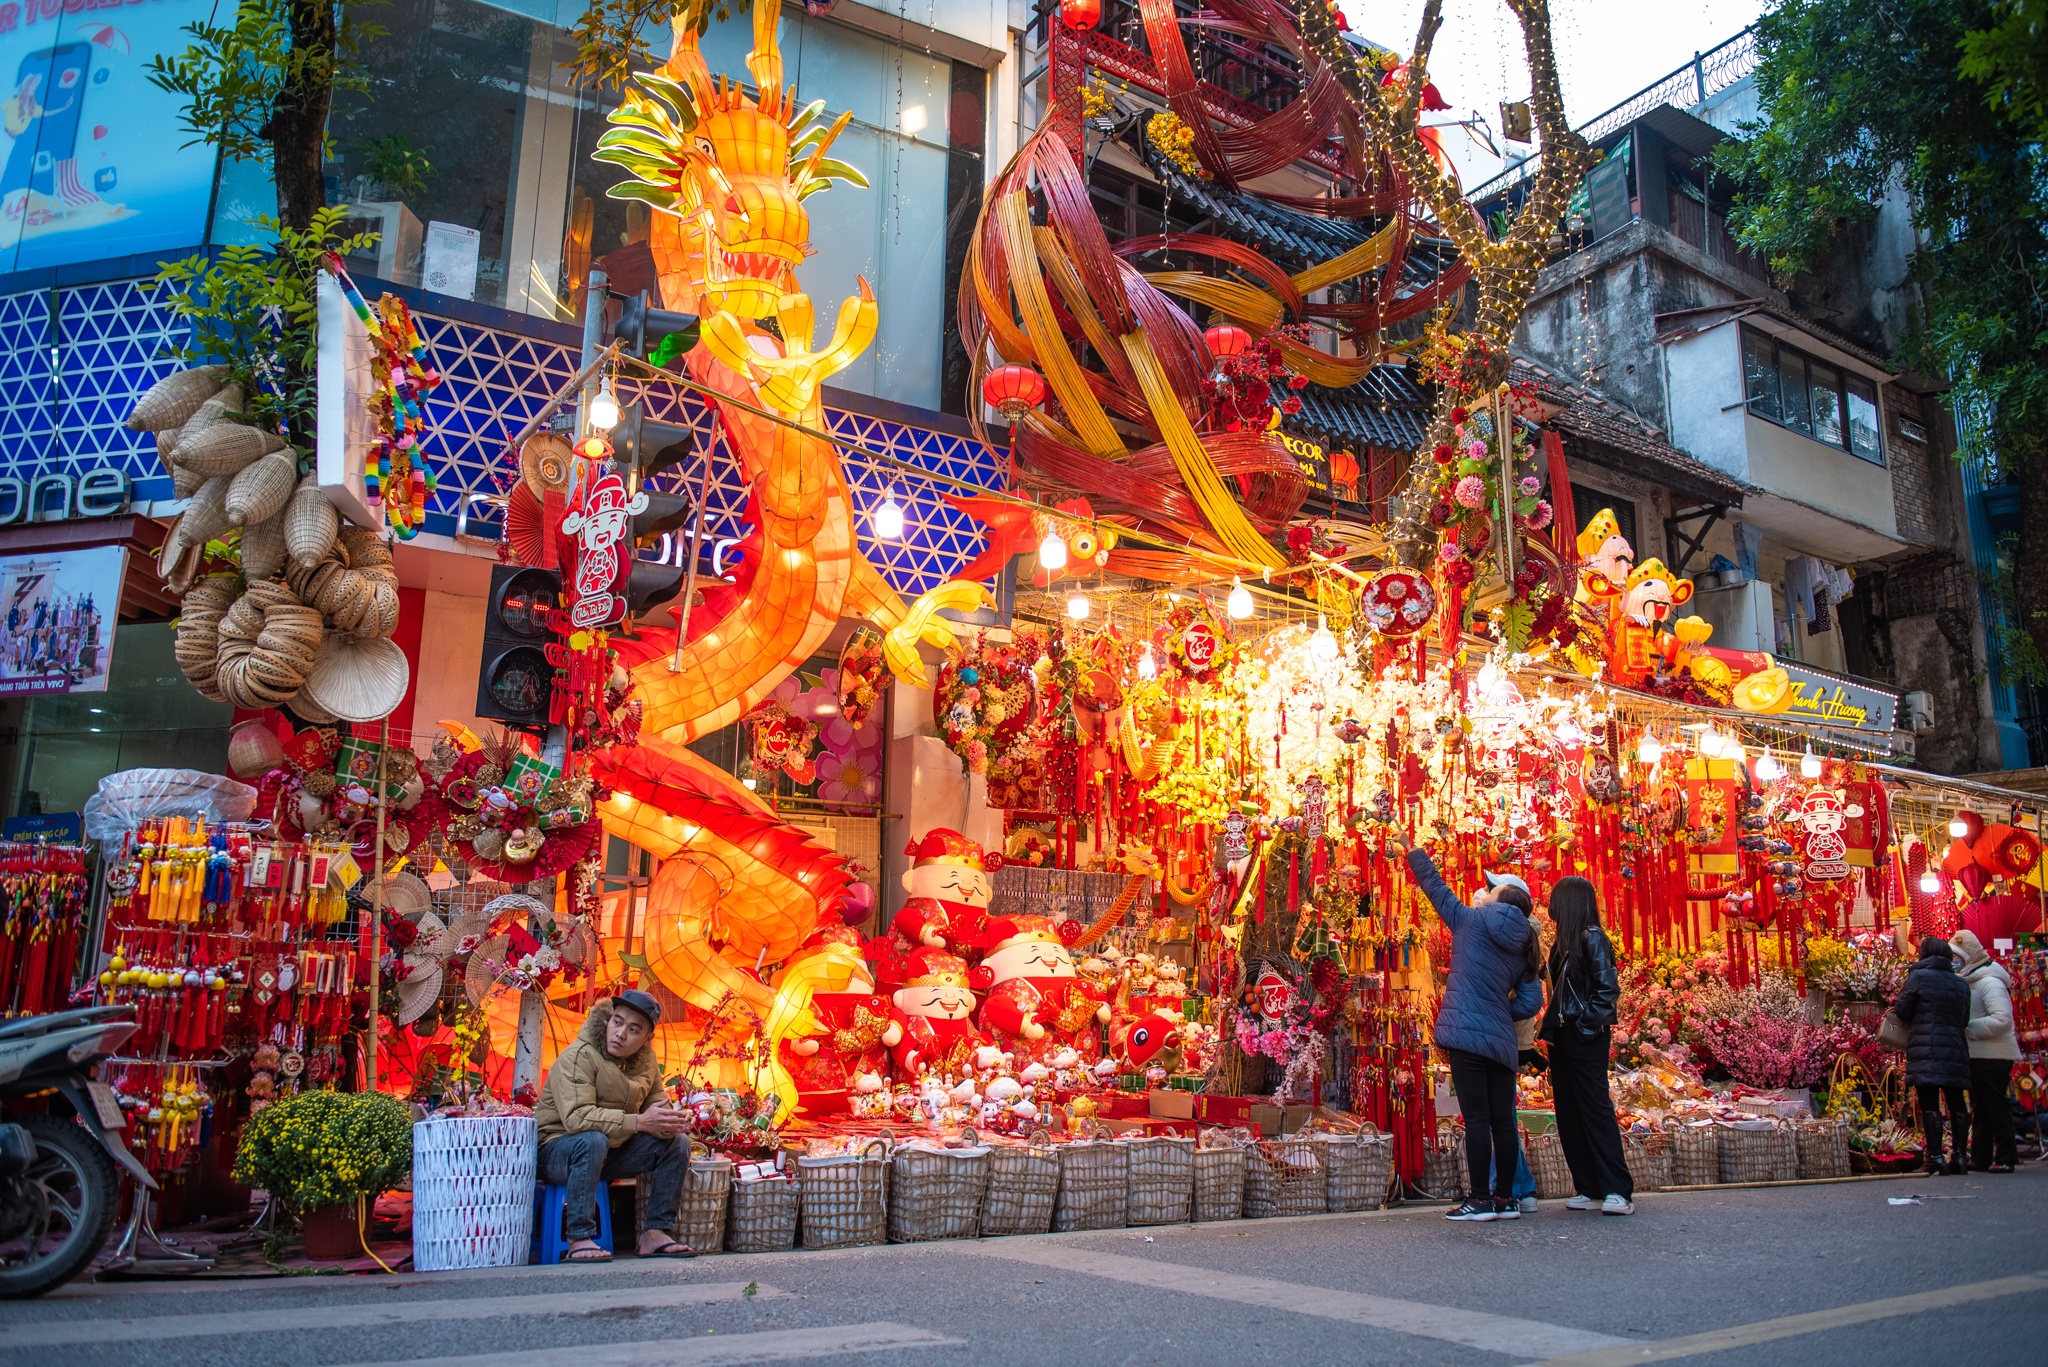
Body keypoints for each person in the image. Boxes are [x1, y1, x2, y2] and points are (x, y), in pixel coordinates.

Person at [1390, 832, 1541, 1222]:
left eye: (1492, 891)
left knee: (1476, 1119)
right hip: (1501, 1042)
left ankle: (1479, 1200)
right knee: (1503, 1120)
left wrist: (1412, 849)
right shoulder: (1526, 946)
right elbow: (1531, 1002)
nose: (1485, 894)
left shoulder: (1469, 921)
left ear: (1501, 901)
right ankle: (1505, 1199)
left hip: (1466, 1037)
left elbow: (1435, 887)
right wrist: (1498, 1011)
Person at [533, 989, 696, 1260]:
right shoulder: (579, 1055)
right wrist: (639, 1122)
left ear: (647, 1039)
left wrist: (674, 1121)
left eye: (633, 1030)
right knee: (592, 1139)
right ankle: (578, 1237)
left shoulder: (646, 1064)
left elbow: (656, 1108)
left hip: (607, 1152)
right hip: (557, 1151)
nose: (620, 1034)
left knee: (676, 1144)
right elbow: (577, 1118)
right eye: (617, 1022)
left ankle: (655, 1233)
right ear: (607, 1020)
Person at [1541, 876, 1634, 1215]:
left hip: (1584, 1035)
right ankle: (1589, 1186)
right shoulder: (1563, 942)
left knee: (1594, 1108)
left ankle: (1617, 1189)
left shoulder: (1592, 938)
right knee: (1569, 1111)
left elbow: (1607, 990)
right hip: (1563, 1035)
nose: (1550, 906)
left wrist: (1584, 1028)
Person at [1889, 936, 1972, 1176]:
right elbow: (1964, 1019)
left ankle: (1935, 1157)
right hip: (1955, 1048)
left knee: (1929, 1105)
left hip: (1926, 1047)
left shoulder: (1919, 977)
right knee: (1957, 1103)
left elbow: (1902, 1009)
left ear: (1923, 954)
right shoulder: (1961, 984)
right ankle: (1959, 1156)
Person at [1951, 930, 2019, 1172]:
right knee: (1980, 1107)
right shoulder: (1973, 981)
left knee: (1996, 1106)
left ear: (1969, 956)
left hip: (1994, 1054)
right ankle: (1981, 1157)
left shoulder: (1990, 982)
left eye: (1958, 957)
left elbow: (2002, 1019)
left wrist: (1969, 1028)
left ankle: (2006, 1156)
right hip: (1979, 1053)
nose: (1955, 962)